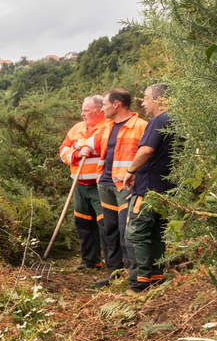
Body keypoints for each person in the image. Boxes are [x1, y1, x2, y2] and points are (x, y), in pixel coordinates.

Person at [121, 83, 176, 294]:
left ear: (160, 100)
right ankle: (156, 277)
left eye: (146, 98)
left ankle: (139, 283)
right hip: (167, 190)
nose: (143, 103)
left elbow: (146, 151)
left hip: (148, 190)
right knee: (157, 234)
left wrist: (131, 170)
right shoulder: (179, 121)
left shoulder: (159, 121)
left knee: (137, 234)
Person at [92, 89, 147, 287]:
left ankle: (133, 275)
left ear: (116, 105)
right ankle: (115, 273)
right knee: (110, 230)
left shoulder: (140, 126)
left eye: (105, 104)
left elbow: (148, 153)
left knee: (127, 231)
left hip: (126, 186)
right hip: (105, 184)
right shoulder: (107, 126)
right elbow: (94, 144)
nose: (103, 108)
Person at [58, 95, 109, 268]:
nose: (82, 114)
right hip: (79, 185)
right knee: (83, 222)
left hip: (99, 186)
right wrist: (76, 153)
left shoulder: (107, 126)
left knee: (106, 223)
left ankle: (114, 262)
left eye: (86, 110)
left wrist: (81, 145)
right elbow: (63, 150)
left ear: (98, 110)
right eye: (82, 110)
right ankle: (90, 261)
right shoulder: (76, 128)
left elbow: (101, 145)